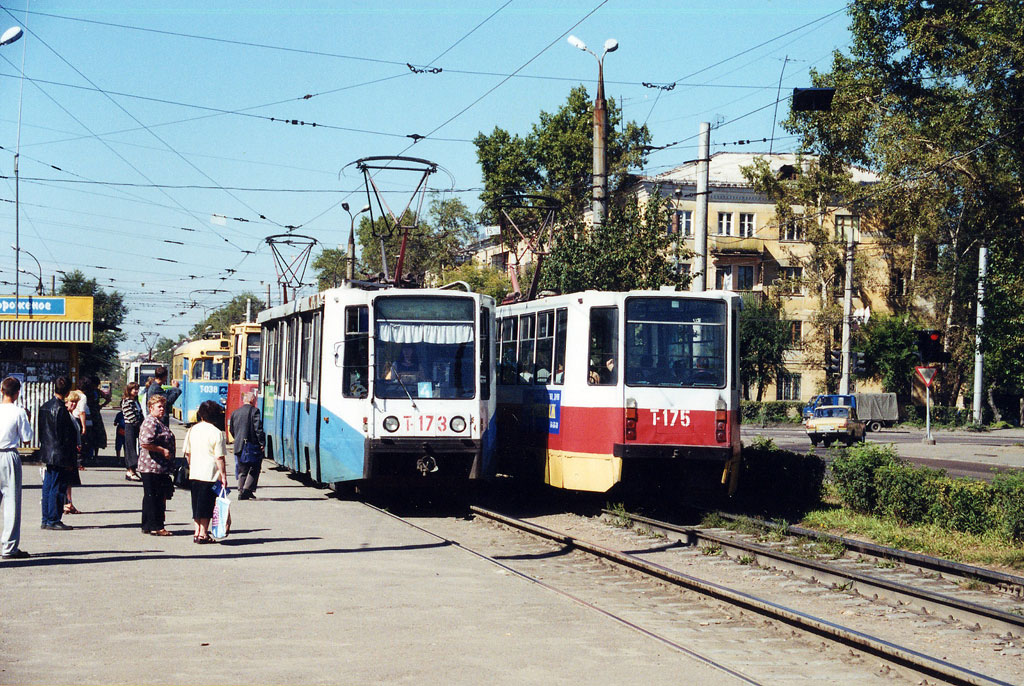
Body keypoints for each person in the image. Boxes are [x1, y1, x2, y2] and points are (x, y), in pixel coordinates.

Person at [183, 400, 228, 544]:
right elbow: (219, 457)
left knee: (196, 504)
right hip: (210, 474)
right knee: (208, 504)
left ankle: (197, 531)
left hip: (195, 472)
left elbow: (187, 453)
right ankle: (203, 533)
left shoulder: (192, 430)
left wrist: (192, 464)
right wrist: (223, 475)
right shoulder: (216, 433)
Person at [39, 376, 78, 532]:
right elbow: (65, 436)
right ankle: (54, 518)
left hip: (48, 451)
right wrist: (70, 458)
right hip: (60, 453)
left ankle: (46, 518)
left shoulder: (45, 406)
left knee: (48, 485)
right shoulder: (61, 409)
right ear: (68, 390)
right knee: (57, 486)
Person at [0, 376, 34, 558]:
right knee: (11, 501)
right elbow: (27, 438)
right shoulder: (19, 412)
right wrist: (27, 418)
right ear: (17, 393)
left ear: (1, 391)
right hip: (8, 454)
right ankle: (8, 547)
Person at [138, 394, 176, 536]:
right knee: (156, 497)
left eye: (163, 406)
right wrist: (162, 450)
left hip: (157, 466)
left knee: (151, 496)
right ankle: (156, 526)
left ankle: (147, 524)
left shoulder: (157, 422)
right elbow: (145, 442)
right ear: (151, 408)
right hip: (152, 466)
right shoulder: (150, 422)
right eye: (159, 406)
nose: (162, 409)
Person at [227, 390, 265, 500]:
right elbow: (258, 429)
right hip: (251, 446)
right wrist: (261, 442)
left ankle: (241, 490)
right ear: (253, 400)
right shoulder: (255, 411)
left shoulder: (235, 412)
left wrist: (238, 438)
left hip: (238, 445)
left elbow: (232, 430)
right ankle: (247, 490)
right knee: (255, 467)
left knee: (242, 469)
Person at [64, 390, 85, 515]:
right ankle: (66, 503)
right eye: (71, 402)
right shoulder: (66, 416)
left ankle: (69, 502)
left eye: (75, 402)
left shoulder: (72, 416)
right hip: (68, 452)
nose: (73, 405)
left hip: (73, 451)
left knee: (70, 480)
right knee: (66, 479)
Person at [120, 382, 143, 481]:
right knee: (130, 447)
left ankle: (133, 470)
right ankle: (130, 470)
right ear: (129, 390)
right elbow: (130, 416)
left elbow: (140, 413)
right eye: (134, 389)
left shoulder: (136, 401)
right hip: (130, 426)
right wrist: (138, 423)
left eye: (137, 389)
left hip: (137, 426)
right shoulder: (126, 402)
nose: (136, 391)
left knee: (136, 447)